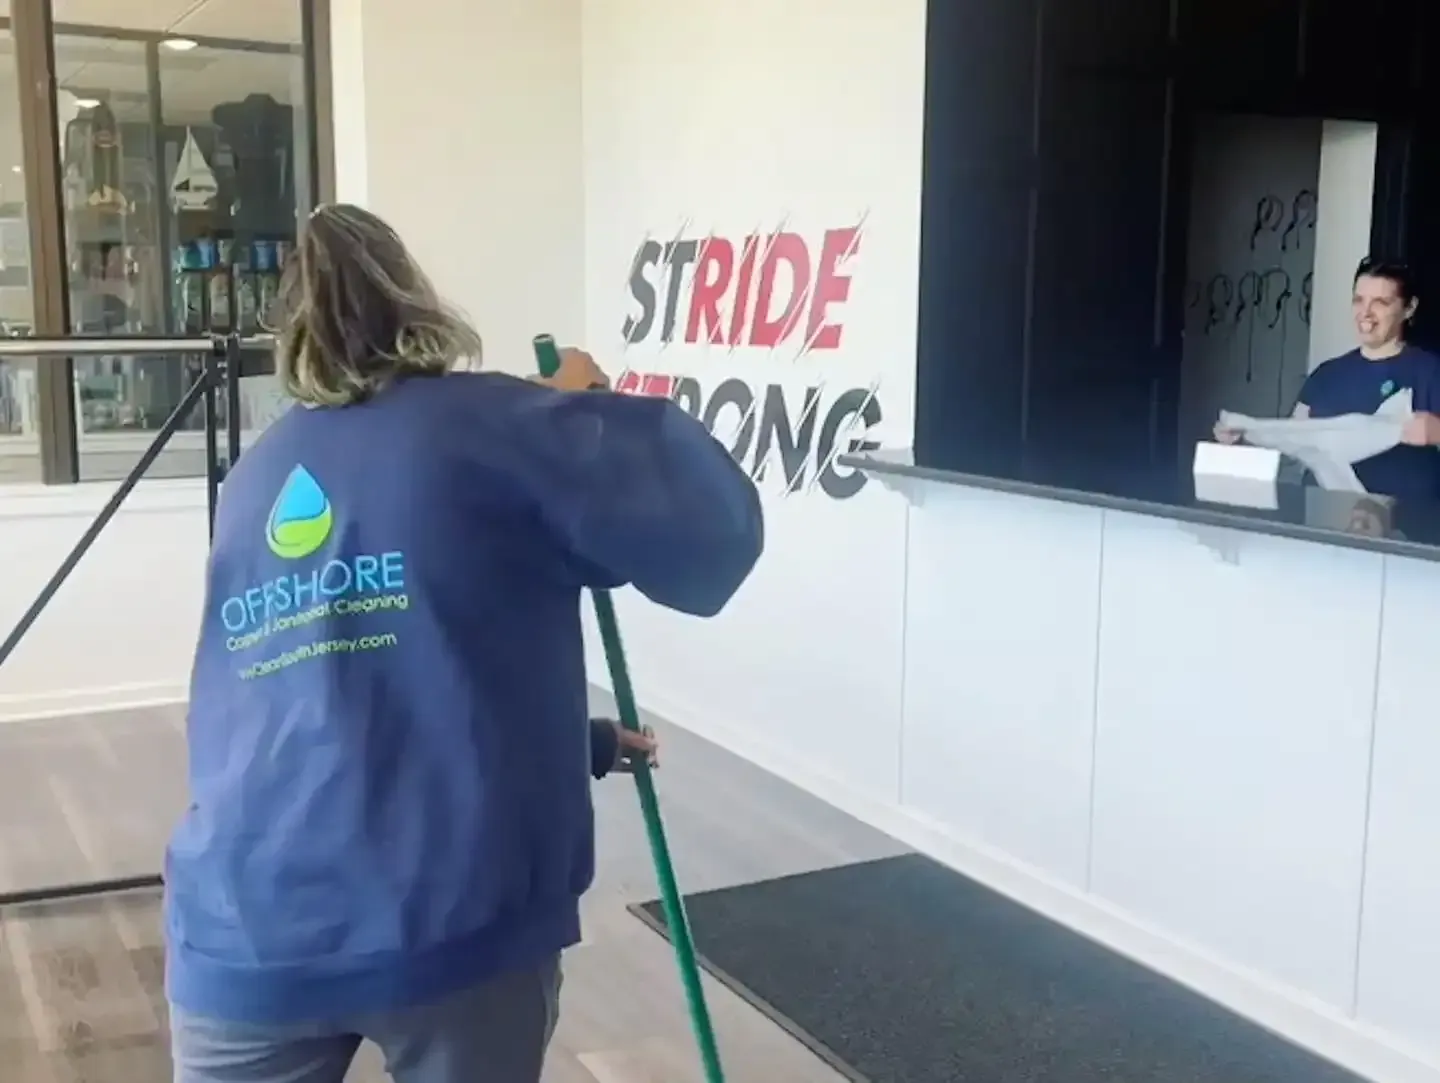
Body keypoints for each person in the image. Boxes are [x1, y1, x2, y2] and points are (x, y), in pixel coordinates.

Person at [164, 203, 764, 1083]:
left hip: (242, 926)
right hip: (449, 920)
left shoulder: (258, 475)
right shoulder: (501, 426)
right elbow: (713, 530)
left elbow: (319, 694)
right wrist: (592, 416)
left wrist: (581, 744)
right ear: (419, 304)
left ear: (287, 331)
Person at [1215, 257, 1440, 499]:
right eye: (1358, 300)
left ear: (1409, 308)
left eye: (1380, 303)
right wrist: (1244, 438)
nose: (1365, 313)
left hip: (1404, 528)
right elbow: (1292, 442)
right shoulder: (1327, 375)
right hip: (1325, 523)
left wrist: (1437, 431)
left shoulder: (1429, 372)